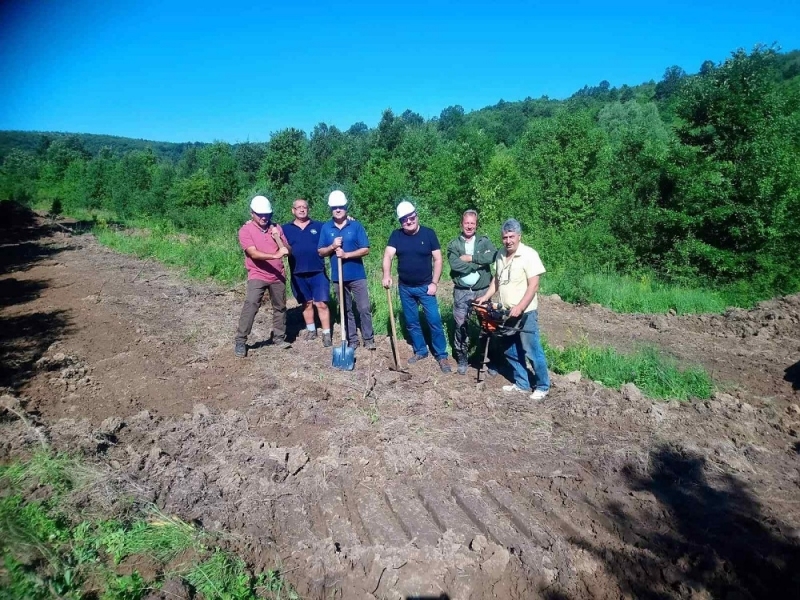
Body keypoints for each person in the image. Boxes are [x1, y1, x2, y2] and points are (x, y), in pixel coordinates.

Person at [476, 218, 550, 400]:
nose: (508, 241)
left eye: (511, 237)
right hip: (505, 312)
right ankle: (522, 384)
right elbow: (497, 280)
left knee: (532, 349)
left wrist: (521, 306)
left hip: (525, 312)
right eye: (504, 237)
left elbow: (533, 285)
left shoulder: (529, 254)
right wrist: (485, 297)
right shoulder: (501, 254)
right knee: (510, 348)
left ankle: (542, 385)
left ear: (519, 236)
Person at [382, 200, 451, 373]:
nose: (409, 222)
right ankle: (421, 350)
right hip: (405, 288)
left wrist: (434, 283)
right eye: (404, 220)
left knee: (434, 320)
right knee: (412, 322)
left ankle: (441, 355)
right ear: (400, 222)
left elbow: (438, 259)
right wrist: (386, 275)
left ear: (416, 216)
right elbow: (388, 255)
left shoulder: (428, 234)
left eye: (411, 217)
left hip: (426, 287)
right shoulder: (396, 236)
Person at [234, 195, 292, 356]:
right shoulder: (246, 230)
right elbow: (253, 253)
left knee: (280, 307)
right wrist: (275, 255)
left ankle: (279, 337)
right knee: (251, 304)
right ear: (252, 213)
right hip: (257, 274)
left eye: (267, 214)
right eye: (260, 214)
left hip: (277, 275)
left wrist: (278, 238)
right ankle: (240, 340)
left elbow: (287, 250)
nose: (264, 217)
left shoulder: (276, 228)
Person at [318, 190, 375, 350]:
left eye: (340, 207)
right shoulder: (326, 228)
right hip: (338, 277)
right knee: (345, 309)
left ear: (345, 207)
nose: (337, 210)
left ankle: (369, 339)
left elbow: (365, 249)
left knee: (364, 308)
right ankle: (352, 341)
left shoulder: (356, 226)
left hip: (357, 275)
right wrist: (332, 246)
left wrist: (346, 254)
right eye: (334, 207)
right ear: (330, 209)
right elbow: (321, 251)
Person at [447, 209, 497, 375]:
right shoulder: (454, 244)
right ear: (462, 224)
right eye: (466, 223)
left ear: (476, 225)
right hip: (462, 292)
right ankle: (462, 358)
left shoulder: (484, 241)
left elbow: (492, 257)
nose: (469, 226)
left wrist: (470, 258)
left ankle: (487, 360)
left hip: (482, 290)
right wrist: (479, 262)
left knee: (487, 324)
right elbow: (455, 265)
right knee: (461, 325)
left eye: (472, 223)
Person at [282, 198, 332, 347]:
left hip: (318, 271)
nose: (302, 209)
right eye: (299, 207)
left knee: (321, 303)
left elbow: (334, 228)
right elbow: (268, 229)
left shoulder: (319, 226)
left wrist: (348, 219)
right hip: (298, 273)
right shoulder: (285, 229)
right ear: (293, 210)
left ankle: (326, 333)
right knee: (306, 303)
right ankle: (311, 330)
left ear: (308, 209)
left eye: (305, 207)